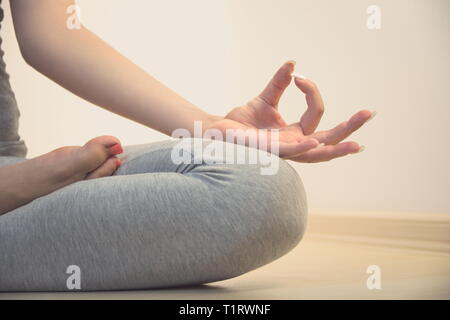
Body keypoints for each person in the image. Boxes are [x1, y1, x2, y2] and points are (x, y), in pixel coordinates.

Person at [0, 0, 374, 291]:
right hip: (17, 176)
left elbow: (53, 33)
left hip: (9, 159)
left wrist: (208, 127)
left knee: (256, 188)